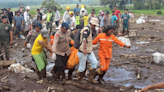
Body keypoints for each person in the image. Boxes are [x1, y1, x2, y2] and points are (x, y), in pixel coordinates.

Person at [77, 18, 99, 84]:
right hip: (83, 50)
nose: (94, 26)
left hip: (89, 50)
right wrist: (84, 48)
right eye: (94, 25)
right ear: (91, 23)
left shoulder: (90, 29)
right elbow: (84, 38)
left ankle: (91, 78)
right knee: (82, 66)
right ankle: (80, 78)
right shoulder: (86, 29)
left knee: (95, 63)